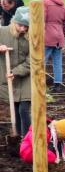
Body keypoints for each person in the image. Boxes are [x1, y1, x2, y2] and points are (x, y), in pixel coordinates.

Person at [0, 7, 32, 136]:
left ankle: (28, 138)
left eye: (26, 26)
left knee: (24, 109)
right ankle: (19, 136)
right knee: (16, 107)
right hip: (8, 76)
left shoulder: (32, 36)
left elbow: (33, 60)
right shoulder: (2, 32)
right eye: (20, 25)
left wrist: (16, 71)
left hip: (26, 77)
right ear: (14, 22)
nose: (23, 29)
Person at [42, 0, 65, 92]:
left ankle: (39, 83)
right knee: (57, 62)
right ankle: (57, 85)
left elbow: (41, 19)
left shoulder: (44, 3)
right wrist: (63, 34)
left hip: (47, 36)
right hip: (59, 37)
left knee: (41, 61)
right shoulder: (63, 5)